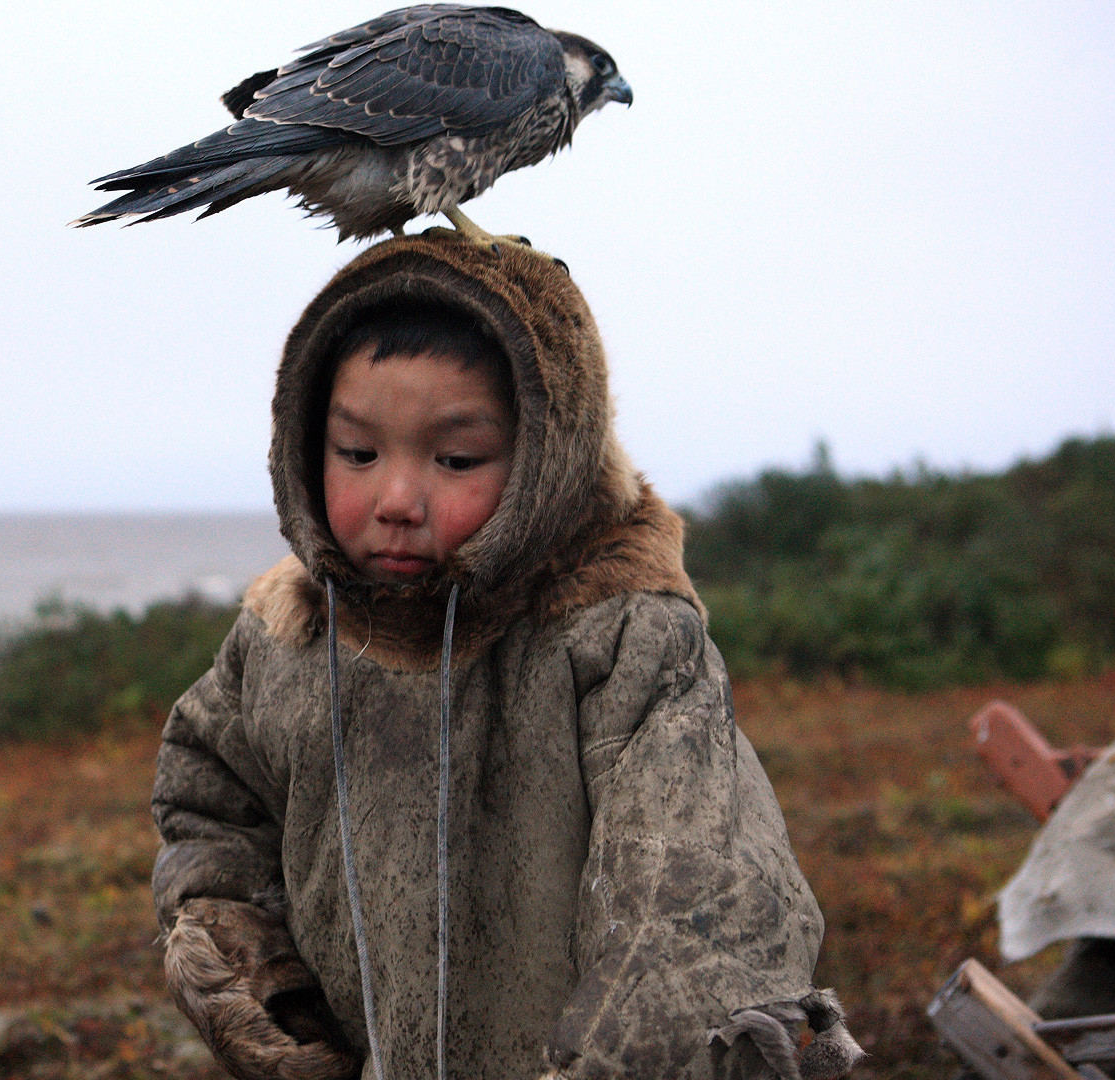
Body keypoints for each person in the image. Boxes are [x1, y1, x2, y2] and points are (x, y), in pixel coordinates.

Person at [150, 236, 860, 1080]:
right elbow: (210, 808)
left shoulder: (621, 638)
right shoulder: (288, 638)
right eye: (357, 453)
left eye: (455, 459)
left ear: (545, 455)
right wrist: (262, 991)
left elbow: (702, 908)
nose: (397, 500)